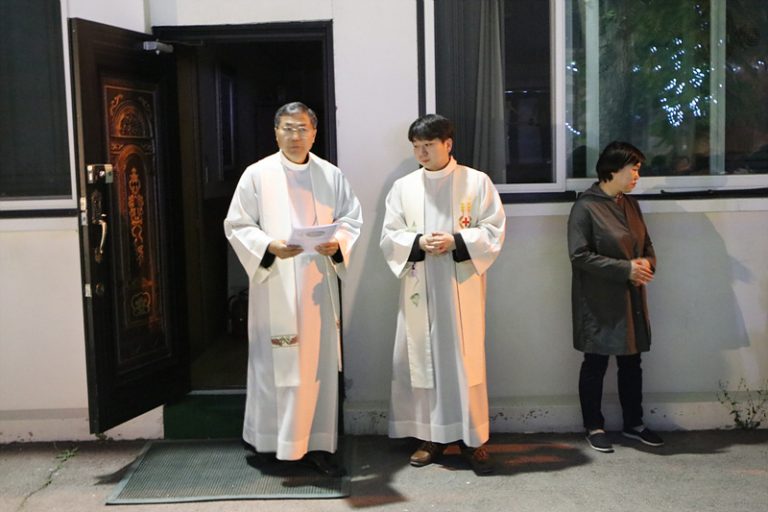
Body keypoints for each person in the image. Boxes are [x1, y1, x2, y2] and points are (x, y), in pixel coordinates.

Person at [224, 102, 362, 476]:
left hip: (316, 287)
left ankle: (316, 444)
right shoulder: (257, 175)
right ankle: (272, 444)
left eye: (302, 128)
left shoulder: (330, 175)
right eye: (287, 128)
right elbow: (237, 224)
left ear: (314, 133)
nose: (295, 136)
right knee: (275, 365)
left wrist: (338, 244)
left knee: (315, 366)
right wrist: (269, 246)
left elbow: (351, 220)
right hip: (276, 285)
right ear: (276, 132)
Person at [380, 114, 505, 475]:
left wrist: (457, 241)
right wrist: (418, 242)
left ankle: (472, 438)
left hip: (459, 287)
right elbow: (390, 235)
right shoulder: (404, 187)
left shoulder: (476, 182)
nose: (422, 153)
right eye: (416, 147)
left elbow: (494, 230)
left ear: (448, 144)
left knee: (463, 360)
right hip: (420, 284)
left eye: (428, 146)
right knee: (423, 359)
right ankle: (430, 437)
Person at [567, 140, 664, 453]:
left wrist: (646, 264)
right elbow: (579, 255)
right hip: (598, 299)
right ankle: (593, 425)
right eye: (633, 169)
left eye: (638, 170)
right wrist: (626, 269)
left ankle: (634, 423)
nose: (637, 176)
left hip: (631, 296)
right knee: (595, 361)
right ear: (613, 170)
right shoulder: (585, 207)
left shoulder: (630, 204)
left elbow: (646, 245)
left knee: (632, 361)